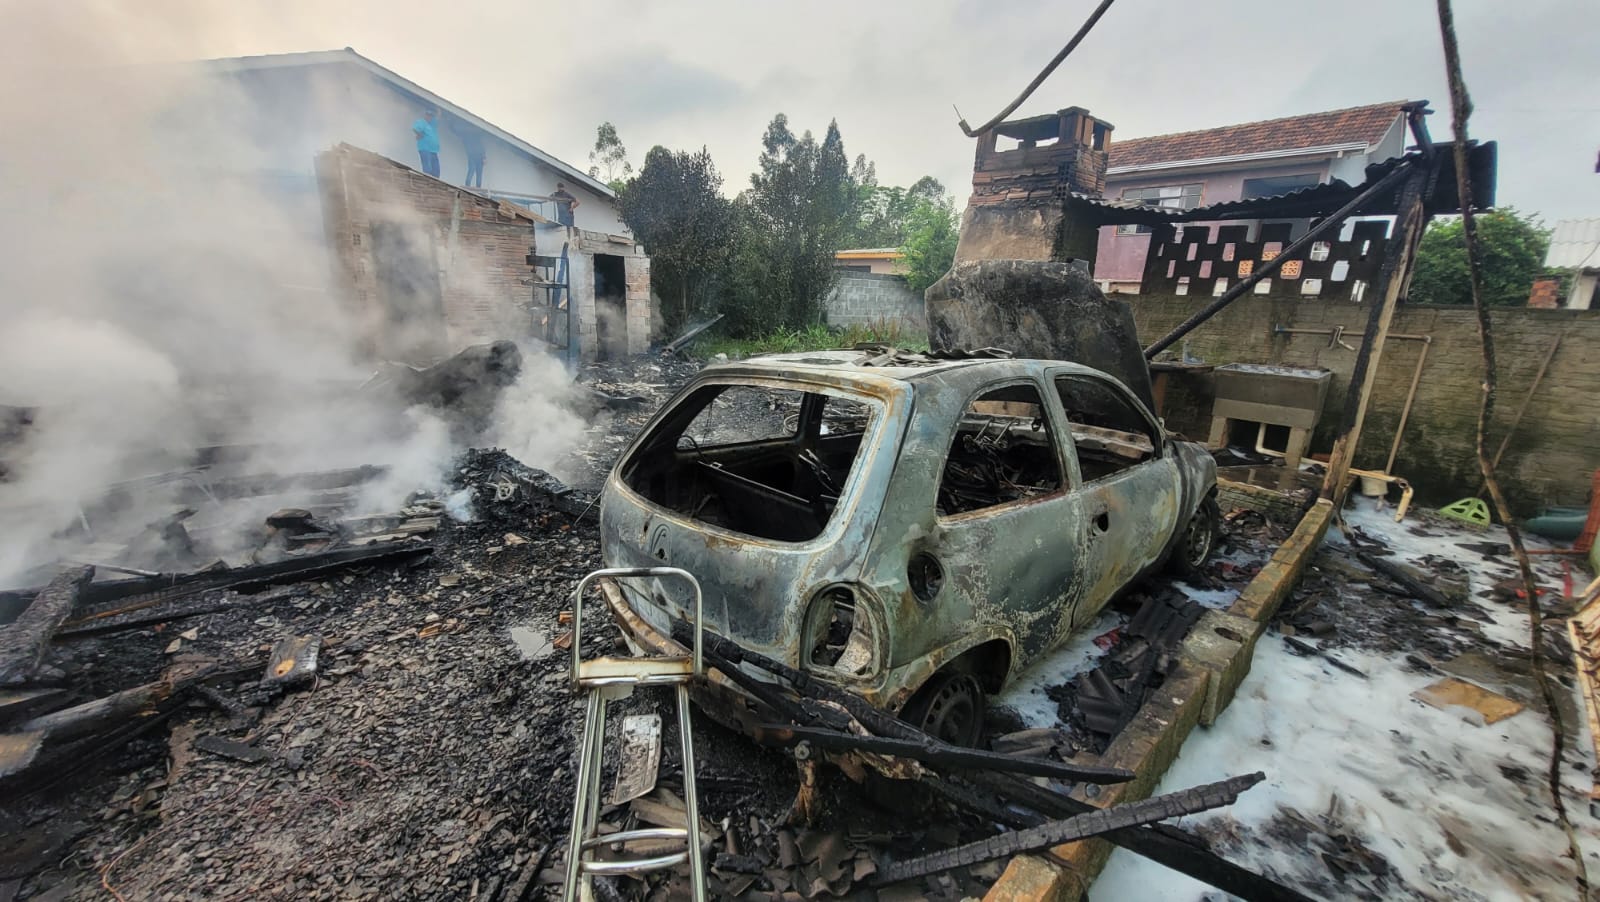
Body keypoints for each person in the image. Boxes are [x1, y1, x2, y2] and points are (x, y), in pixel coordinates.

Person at [452, 119, 487, 188]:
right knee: (473, 172)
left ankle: (475, 188)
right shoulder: (468, 136)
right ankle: (469, 187)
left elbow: (481, 147)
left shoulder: (473, 136)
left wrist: (484, 157)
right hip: (474, 156)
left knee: (476, 173)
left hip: (478, 157)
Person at [412, 108, 441, 178]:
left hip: (434, 151)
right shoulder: (421, 122)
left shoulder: (432, 123)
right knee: (427, 169)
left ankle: (435, 183)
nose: (429, 116)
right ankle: (426, 180)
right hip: (425, 149)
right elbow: (415, 128)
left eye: (431, 115)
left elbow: (438, 116)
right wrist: (419, 134)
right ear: (425, 115)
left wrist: (438, 108)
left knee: (436, 171)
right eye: (428, 115)